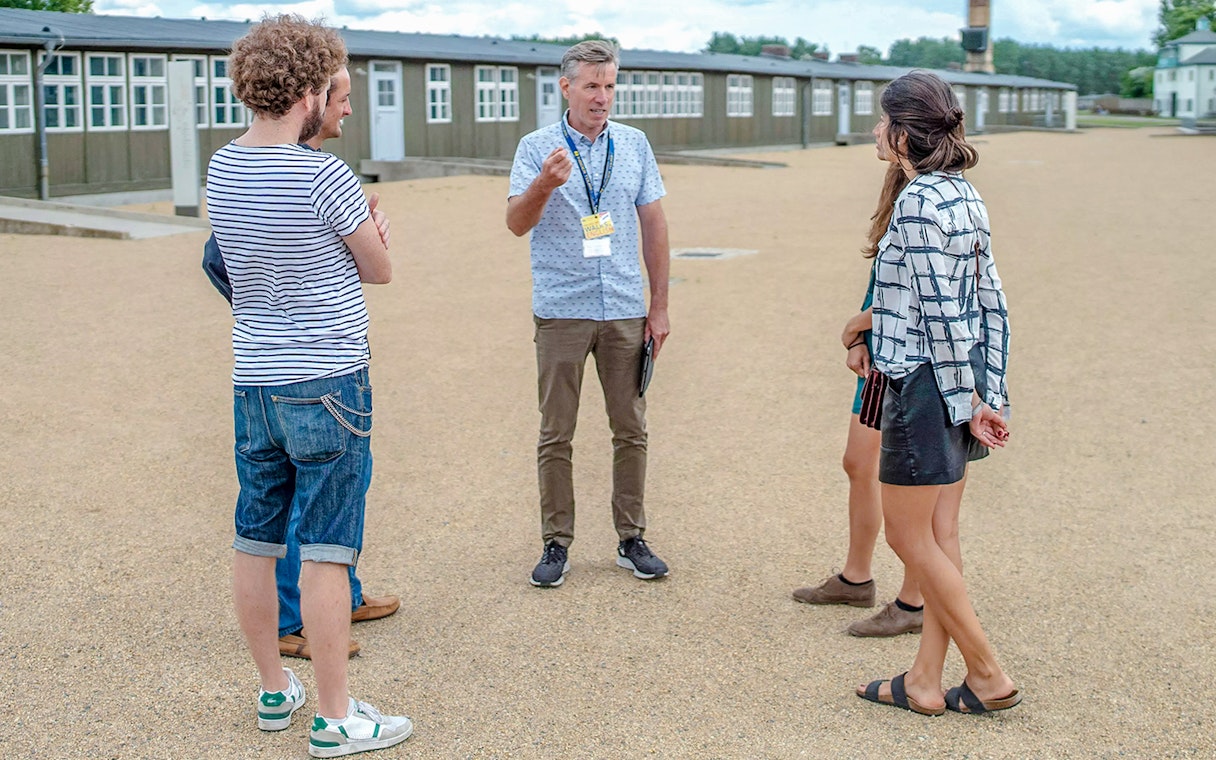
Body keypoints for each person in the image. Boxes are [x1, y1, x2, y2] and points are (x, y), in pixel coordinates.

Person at [206, 15, 412, 755]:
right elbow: (378, 269)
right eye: (337, 89)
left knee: (254, 539)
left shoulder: (221, 167)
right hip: (326, 378)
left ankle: (272, 692)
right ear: (307, 90)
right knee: (328, 549)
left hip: (254, 382)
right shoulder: (325, 174)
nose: (342, 104)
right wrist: (374, 229)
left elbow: (235, 264)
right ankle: (334, 716)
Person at [852, 70, 1020, 716]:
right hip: (959, 378)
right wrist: (990, 394)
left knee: (909, 537)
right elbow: (991, 306)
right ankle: (925, 679)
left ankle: (986, 671)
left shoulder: (919, 204)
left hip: (926, 388)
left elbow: (944, 317)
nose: (873, 130)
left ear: (900, 135)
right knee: (941, 533)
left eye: (879, 121)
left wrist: (964, 404)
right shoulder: (964, 196)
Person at [506, 39, 671, 588]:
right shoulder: (536, 148)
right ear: (566, 87)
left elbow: (653, 224)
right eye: (592, 85)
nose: (602, 97)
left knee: (631, 428)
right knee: (556, 432)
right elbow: (515, 222)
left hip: (624, 305)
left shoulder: (635, 144)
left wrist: (660, 305)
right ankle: (556, 543)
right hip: (562, 310)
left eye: (609, 85)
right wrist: (544, 184)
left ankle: (631, 538)